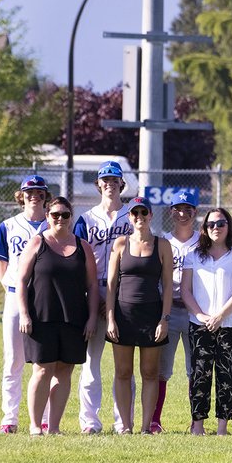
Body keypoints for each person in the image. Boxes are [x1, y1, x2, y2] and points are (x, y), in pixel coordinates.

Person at [16, 197, 100, 434]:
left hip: (74, 319)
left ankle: (54, 428)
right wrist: (24, 314)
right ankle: (35, 426)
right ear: (47, 216)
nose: (60, 219)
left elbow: (93, 285)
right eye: (55, 214)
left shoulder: (83, 246)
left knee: (65, 371)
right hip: (41, 318)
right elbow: (21, 281)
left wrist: (92, 317)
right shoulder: (37, 242)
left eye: (65, 214)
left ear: (71, 217)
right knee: (42, 370)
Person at [73, 160, 134, 434]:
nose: (110, 184)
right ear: (98, 184)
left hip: (125, 293)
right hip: (92, 292)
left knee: (125, 364)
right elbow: (75, 260)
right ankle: (89, 422)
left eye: (114, 179)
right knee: (90, 361)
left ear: (122, 184)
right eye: (105, 180)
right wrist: (91, 298)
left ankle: (123, 421)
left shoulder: (134, 215)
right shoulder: (85, 219)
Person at [181, 208, 232, 436]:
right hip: (200, 324)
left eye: (221, 223)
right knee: (200, 374)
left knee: (228, 376)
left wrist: (220, 316)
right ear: (204, 228)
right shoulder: (193, 255)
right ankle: (198, 426)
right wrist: (202, 316)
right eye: (211, 224)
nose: (216, 228)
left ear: (229, 226)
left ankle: (222, 427)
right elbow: (185, 290)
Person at [105, 196, 173, 434]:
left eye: (144, 213)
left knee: (150, 373)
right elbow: (111, 286)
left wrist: (164, 320)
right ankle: (125, 425)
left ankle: (146, 427)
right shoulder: (120, 244)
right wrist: (111, 318)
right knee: (123, 372)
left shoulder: (162, 245)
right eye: (135, 213)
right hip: (123, 316)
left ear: (151, 215)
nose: (139, 217)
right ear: (130, 217)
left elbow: (167, 287)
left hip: (151, 315)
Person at [0, 174, 49, 433]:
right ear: (21, 196)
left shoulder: (53, 224)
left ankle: (45, 418)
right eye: (29, 192)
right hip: (16, 295)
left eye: (39, 192)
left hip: (45, 297)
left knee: (45, 360)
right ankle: (9, 418)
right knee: (14, 359)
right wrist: (10, 288)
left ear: (45, 196)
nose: (34, 196)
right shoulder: (8, 225)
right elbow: (1, 264)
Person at [156, 191, 200, 434]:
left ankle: (196, 421)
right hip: (169, 310)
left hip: (194, 311)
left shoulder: (203, 241)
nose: (183, 213)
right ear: (171, 211)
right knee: (162, 370)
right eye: (178, 209)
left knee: (195, 369)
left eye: (188, 209)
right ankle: (154, 419)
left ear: (195, 212)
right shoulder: (163, 241)